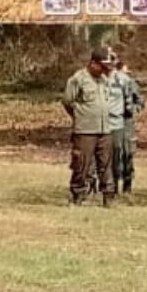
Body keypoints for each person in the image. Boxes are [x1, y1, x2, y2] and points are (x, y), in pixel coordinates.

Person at [63, 46, 116, 205]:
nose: (104, 70)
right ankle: (78, 194)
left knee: (106, 164)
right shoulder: (78, 79)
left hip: (105, 129)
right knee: (82, 164)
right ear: (93, 63)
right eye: (102, 66)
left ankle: (108, 195)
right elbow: (67, 101)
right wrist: (80, 116)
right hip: (85, 130)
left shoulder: (104, 79)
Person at [107, 54, 144, 197]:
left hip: (126, 122)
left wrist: (131, 112)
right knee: (109, 155)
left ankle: (127, 186)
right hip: (111, 122)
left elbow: (139, 101)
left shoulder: (126, 81)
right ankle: (110, 186)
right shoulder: (103, 79)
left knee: (127, 153)